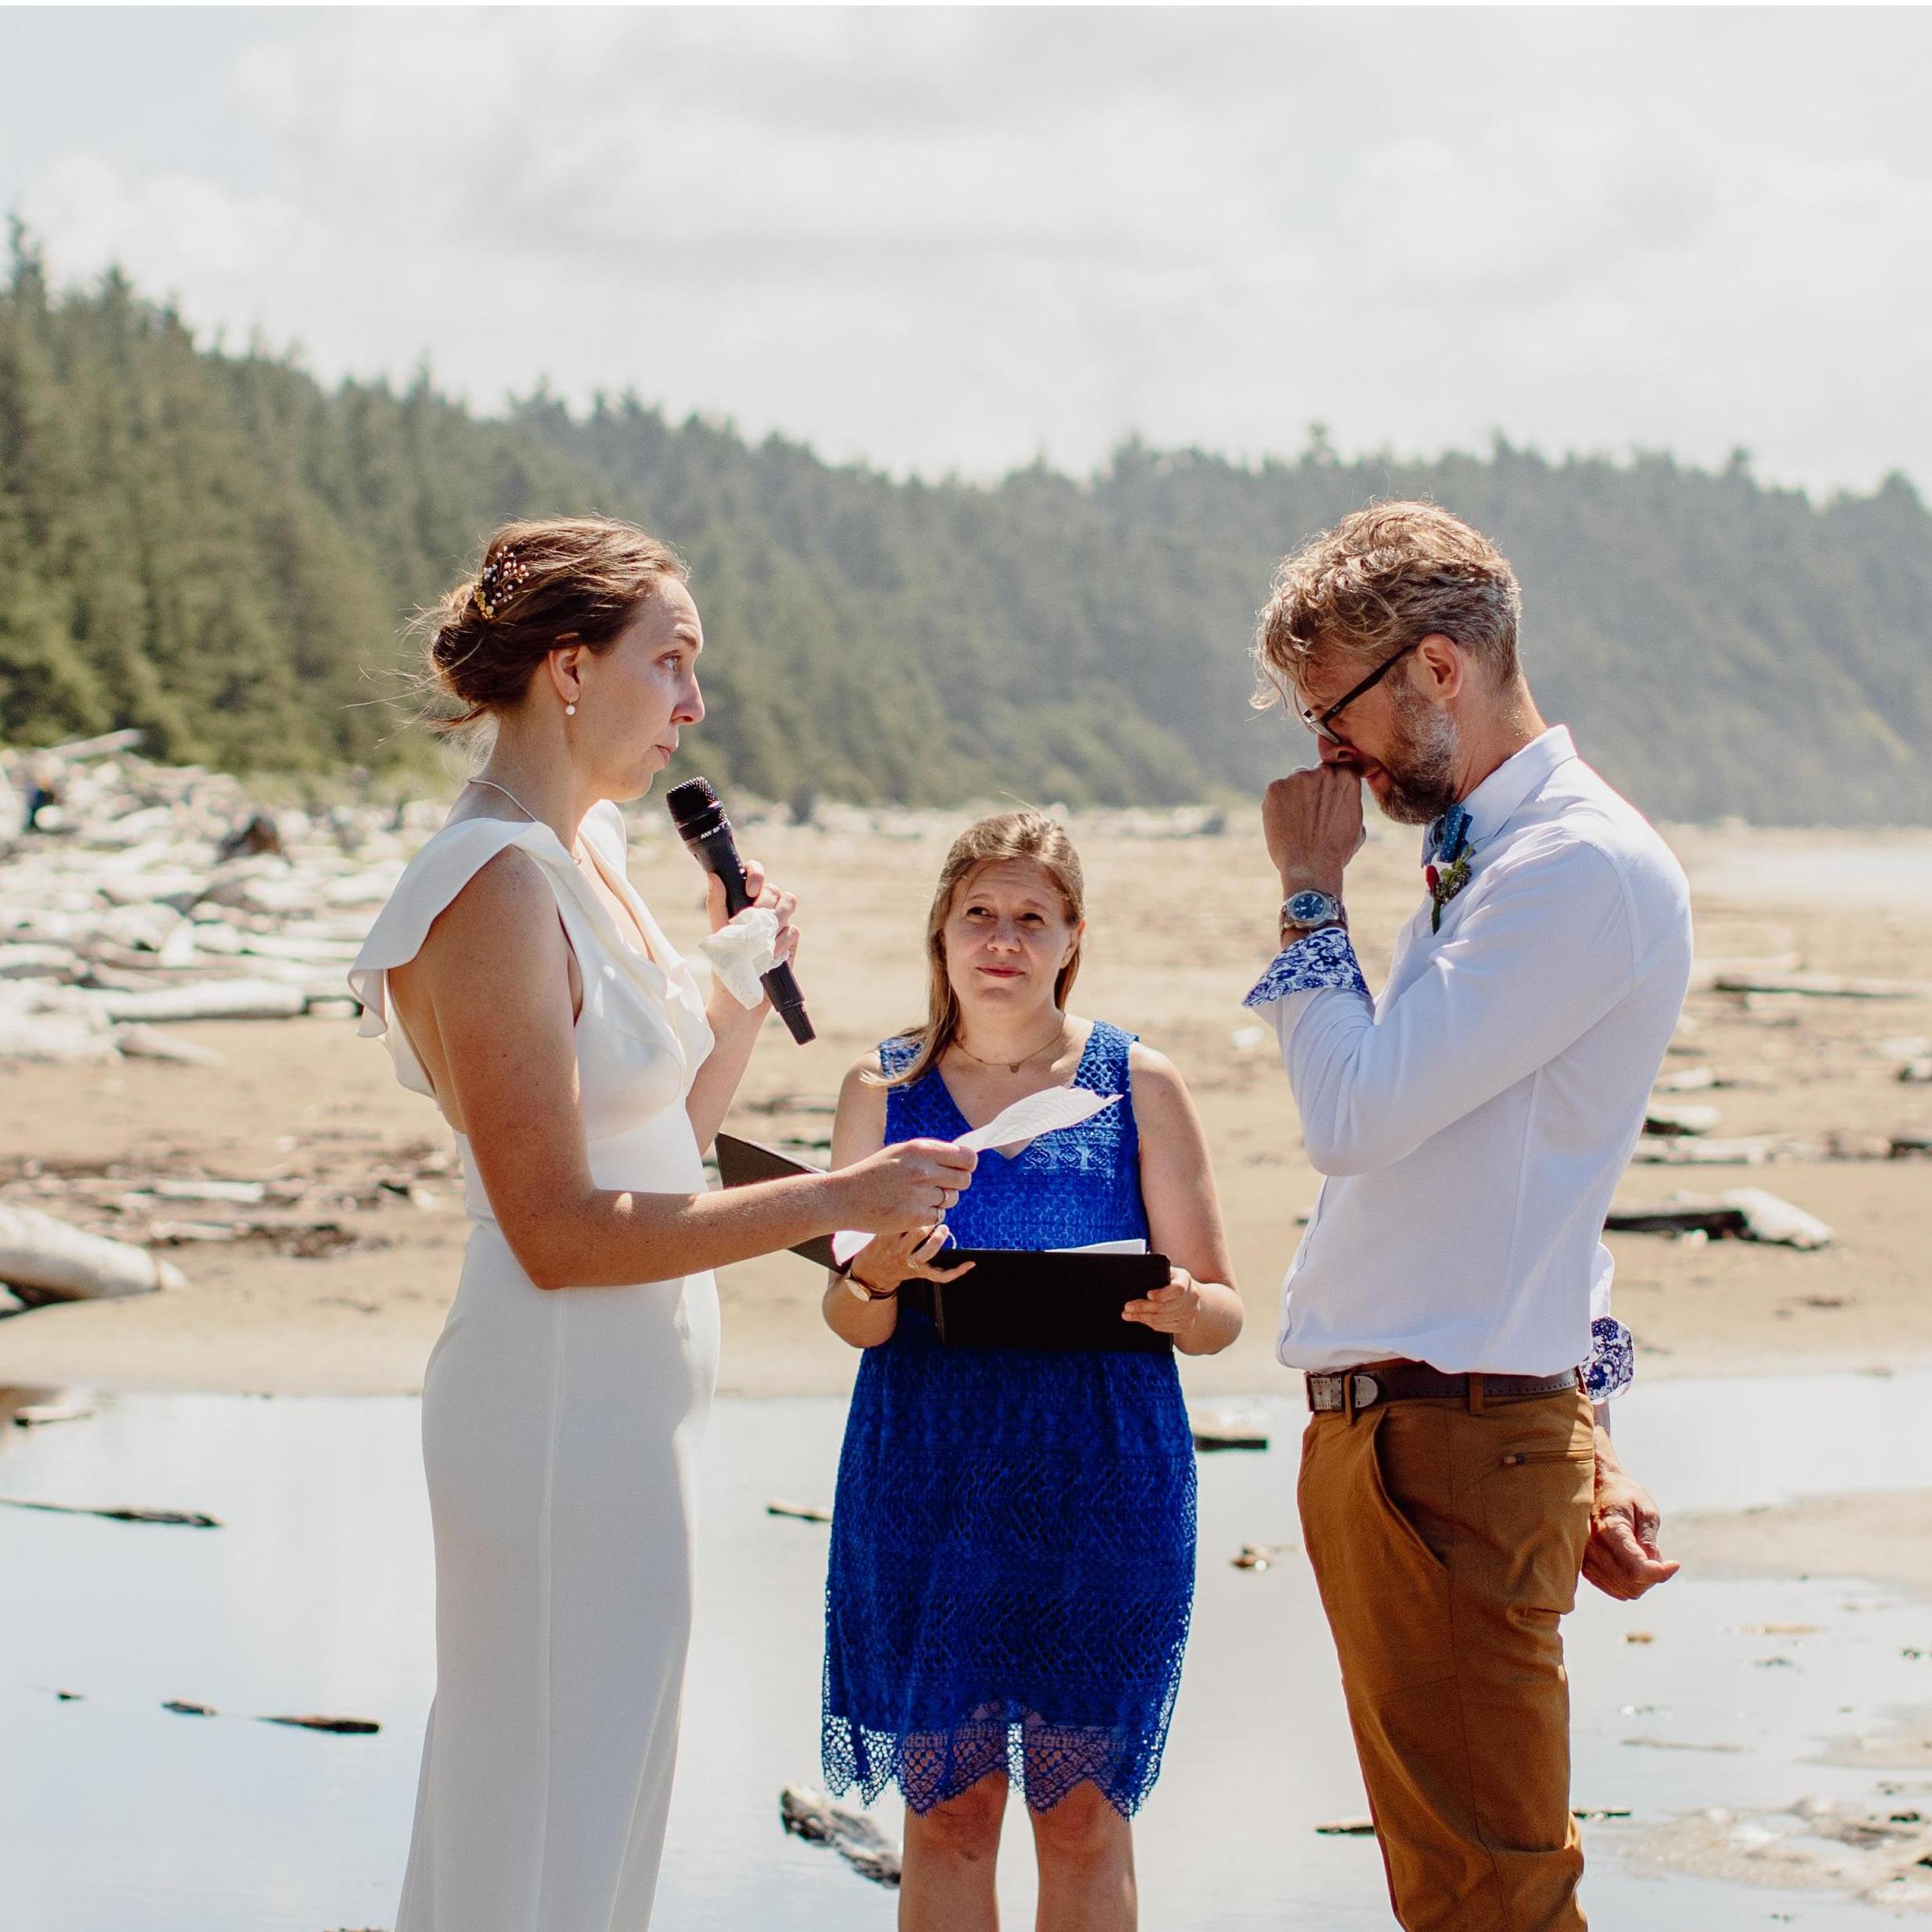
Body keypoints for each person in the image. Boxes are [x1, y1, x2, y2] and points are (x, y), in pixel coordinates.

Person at [346, 517, 974, 1932]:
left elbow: (666, 1139)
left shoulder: (591, 849)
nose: (693, 704)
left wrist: (735, 992)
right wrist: (842, 1197)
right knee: (538, 1791)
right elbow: (558, 1229)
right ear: (569, 669)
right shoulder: (490, 885)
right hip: (551, 1391)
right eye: (671, 663)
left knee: (611, 1775)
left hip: (633, 1393)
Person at [1241, 502, 1685, 1931]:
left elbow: (1353, 1116)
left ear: (1438, 666)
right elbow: (1540, 1178)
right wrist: (1593, 1429)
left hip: (1449, 1441)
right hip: (1422, 1433)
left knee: (1488, 1901)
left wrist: (1309, 899)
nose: (1332, 755)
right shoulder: (1494, 853)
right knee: (1457, 1888)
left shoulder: (1571, 865)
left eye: (1338, 713)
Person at [818, 810, 1244, 1932]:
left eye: (1030, 918)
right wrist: (874, 1275)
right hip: (924, 1472)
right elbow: (852, 1320)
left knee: (1083, 1814)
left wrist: (1184, 1306)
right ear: (942, 930)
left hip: (1101, 1477)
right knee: (947, 1813)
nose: (1001, 940)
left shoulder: (1139, 1081)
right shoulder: (881, 1086)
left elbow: (1222, 1313)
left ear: (1071, 938)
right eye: (979, 914)